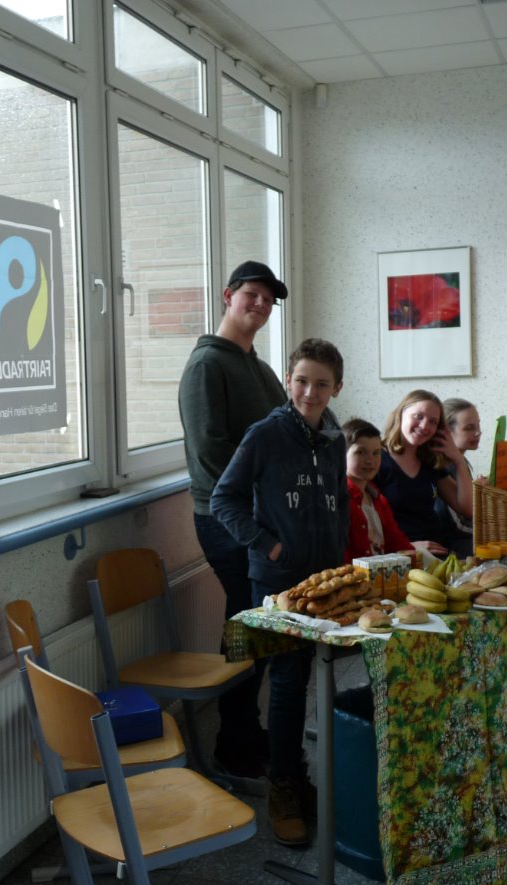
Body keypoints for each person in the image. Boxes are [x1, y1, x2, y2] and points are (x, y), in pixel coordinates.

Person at [211, 337, 349, 846]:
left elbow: (339, 499)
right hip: (277, 582)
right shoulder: (265, 435)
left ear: (337, 388)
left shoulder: (334, 439)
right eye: (302, 381)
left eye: (321, 384)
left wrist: (339, 553)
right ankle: (284, 788)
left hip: (320, 582)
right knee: (288, 681)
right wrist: (268, 547)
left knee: (309, 677)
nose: (310, 392)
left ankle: (296, 770)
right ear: (288, 380)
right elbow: (223, 499)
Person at [178, 260, 288, 780]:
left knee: (255, 624)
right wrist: (259, 513)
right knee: (249, 624)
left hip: (263, 517)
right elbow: (210, 455)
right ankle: (233, 743)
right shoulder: (207, 365)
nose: (261, 306)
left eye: (269, 300)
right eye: (252, 295)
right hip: (227, 522)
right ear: (228, 296)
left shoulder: (258, 368)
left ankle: (244, 731)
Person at [374, 389, 473, 557]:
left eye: (433, 422)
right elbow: (365, 524)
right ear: (401, 414)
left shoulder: (430, 462)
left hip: (436, 552)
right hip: (396, 555)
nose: (425, 426)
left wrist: (458, 459)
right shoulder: (377, 459)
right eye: (418, 416)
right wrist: (406, 547)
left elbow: (467, 509)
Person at [341, 417, 413, 560]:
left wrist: (416, 559)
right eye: (361, 452)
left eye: (376, 453)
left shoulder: (378, 498)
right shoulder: (339, 497)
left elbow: (396, 540)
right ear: (341, 455)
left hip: (383, 570)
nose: (370, 460)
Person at [436, 398, 481, 538]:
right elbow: (457, 524)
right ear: (446, 432)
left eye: (478, 425)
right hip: (453, 542)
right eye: (469, 428)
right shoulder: (444, 466)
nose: (478, 432)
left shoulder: (461, 461)